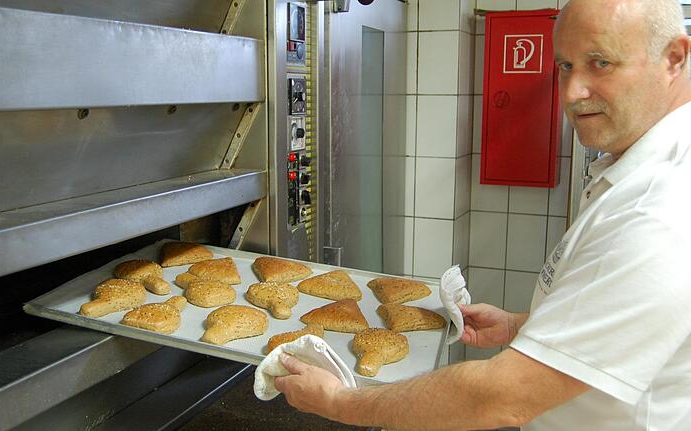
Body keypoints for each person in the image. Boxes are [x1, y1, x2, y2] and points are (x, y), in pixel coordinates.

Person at [273, 0, 691, 429]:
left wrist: (341, 400)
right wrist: (520, 327)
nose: (571, 93)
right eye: (565, 66)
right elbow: (623, 317)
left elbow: (501, 396)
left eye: (600, 63)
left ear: (673, 59)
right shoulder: (635, 170)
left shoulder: (660, 210)